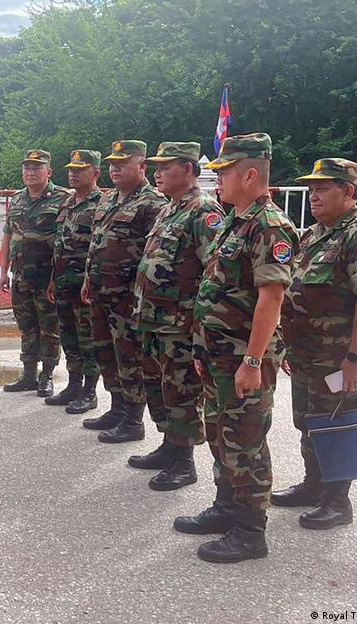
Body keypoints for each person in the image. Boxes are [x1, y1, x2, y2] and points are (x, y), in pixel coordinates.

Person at [175, 132, 298, 563]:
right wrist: (202, 348)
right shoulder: (236, 219)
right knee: (220, 434)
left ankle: (250, 531)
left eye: (224, 172)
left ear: (249, 175)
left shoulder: (269, 225)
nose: (218, 180)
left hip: (243, 359)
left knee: (245, 442)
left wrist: (252, 361)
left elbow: (272, 298)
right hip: (218, 356)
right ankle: (226, 507)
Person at [277, 158, 357, 529]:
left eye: (323, 188)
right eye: (312, 188)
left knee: (337, 424)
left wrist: (356, 358)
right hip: (307, 353)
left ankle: (337, 502)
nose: (314, 195)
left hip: (339, 356)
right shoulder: (314, 234)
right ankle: (314, 485)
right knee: (308, 422)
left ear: (349, 191)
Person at [131, 142, 225, 491]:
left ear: (187, 170)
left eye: (165, 167)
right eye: (155, 167)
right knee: (158, 386)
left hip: (179, 324)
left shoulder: (204, 211)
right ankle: (169, 445)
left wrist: (198, 324)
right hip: (155, 320)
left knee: (181, 391)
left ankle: (184, 462)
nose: (157, 173)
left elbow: (214, 271)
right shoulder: (170, 208)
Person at [81, 141, 166, 442]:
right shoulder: (108, 198)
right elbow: (97, 242)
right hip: (101, 292)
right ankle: (117, 408)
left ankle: (133, 419)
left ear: (142, 166)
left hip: (127, 298)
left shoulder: (152, 203)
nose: (114, 168)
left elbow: (154, 254)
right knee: (106, 353)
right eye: (112, 163)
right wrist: (88, 279)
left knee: (130, 358)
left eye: (122, 163)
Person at [0, 149, 70, 397]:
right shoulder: (17, 199)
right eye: (27, 168)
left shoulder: (63, 198)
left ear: (49, 172)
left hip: (47, 277)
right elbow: (7, 236)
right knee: (26, 326)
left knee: (49, 327)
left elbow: (65, 241)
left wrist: (56, 278)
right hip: (20, 276)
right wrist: (3, 271)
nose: (30, 172)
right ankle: (28, 374)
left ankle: (46, 376)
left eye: (37, 168)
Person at [46, 150, 104, 413]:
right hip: (63, 283)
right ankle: (73, 385)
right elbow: (59, 246)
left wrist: (91, 282)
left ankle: (90, 391)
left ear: (96, 173)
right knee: (68, 335)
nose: (73, 174)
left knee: (87, 338)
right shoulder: (68, 202)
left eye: (80, 170)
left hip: (85, 286)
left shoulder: (102, 203)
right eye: (71, 169)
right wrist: (52, 279)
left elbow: (99, 248)